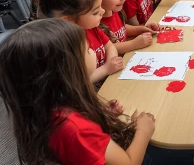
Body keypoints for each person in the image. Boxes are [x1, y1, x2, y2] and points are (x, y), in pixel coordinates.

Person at [0, 19, 155, 165]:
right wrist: (143, 130)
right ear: (68, 67)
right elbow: (129, 162)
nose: (94, 52)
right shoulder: (75, 128)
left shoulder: (47, 103)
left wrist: (100, 114)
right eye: (88, 50)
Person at [33, 0, 122, 83]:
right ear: (68, 20)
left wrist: (112, 62)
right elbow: (76, 83)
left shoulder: (91, 28)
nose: (103, 11)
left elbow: (110, 46)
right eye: (95, 12)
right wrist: (106, 69)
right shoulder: (64, 48)